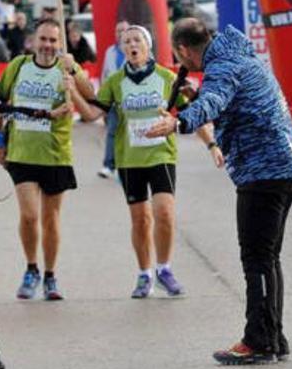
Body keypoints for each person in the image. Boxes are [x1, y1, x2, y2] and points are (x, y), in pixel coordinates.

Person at [146, 18, 292, 364]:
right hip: (287, 165)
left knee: (256, 258)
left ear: (184, 50)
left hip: (264, 171)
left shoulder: (221, 68)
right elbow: (223, 99)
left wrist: (178, 121)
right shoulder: (238, 55)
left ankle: (258, 341)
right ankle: (274, 336)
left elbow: (214, 100)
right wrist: (197, 100)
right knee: (268, 257)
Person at [85, 25, 223, 299]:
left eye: (137, 40)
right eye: (126, 42)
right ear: (122, 49)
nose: (132, 45)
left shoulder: (166, 78)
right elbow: (91, 113)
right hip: (129, 159)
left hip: (161, 154)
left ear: (148, 46)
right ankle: (144, 274)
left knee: (164, 213)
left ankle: (164, 269)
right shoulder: (115, 81)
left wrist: (211, 144)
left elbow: (190, 114)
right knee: (140, 220)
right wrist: (74, 88)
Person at [0, 18, 94, 300]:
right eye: (43, 39)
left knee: (51, 219)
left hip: (56, 154)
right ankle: (31, 268)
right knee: (29, 215)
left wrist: (73, 72)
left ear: (60, 43)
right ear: (33, 41)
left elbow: (91, 98)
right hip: (22, 153)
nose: (48, 45)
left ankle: (50, 275)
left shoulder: (67, 67)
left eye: (53, 40)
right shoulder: (18, 66)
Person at [97, 20, 130, 179]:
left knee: (128, 133)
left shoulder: (135, 51)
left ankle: (125, 165)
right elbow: (104, 76)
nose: (121, 33)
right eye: (118, 31)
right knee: (111, 132)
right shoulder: (109, 51)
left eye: (124, 30)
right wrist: (103, 102)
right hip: (113, 100)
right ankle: (108, 165)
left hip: (131, 102)